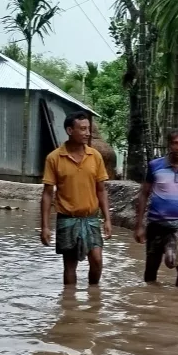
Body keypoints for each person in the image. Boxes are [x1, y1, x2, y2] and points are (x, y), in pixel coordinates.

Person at [41, 112, 113, 287]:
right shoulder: (54, 158)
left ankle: (94, 297)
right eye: (82, 129)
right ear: (69, 130)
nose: (87, 133)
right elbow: (47, 193)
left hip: (91, 218)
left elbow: (101, 190)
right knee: (70, 266)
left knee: (97, 260)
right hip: (67, 219)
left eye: (88, 128)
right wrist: (45, 226)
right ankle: (69, 305)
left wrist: (107, 219)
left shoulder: (95, 156)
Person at [134, 128, 178, 287]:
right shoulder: (154, 166)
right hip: (156, 224)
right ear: (169, 145)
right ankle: (150, 303)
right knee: (151, 267)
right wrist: (138, 226)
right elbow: (144, 194)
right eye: (176, 143)